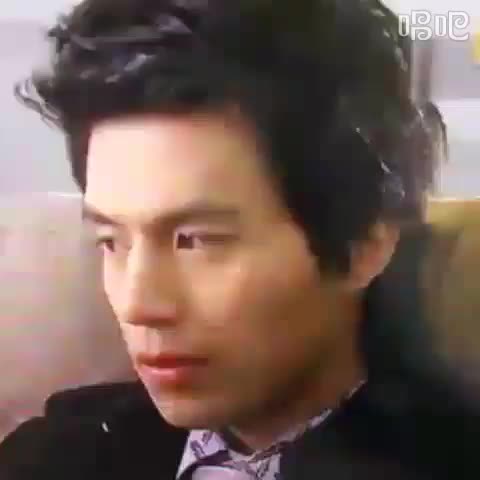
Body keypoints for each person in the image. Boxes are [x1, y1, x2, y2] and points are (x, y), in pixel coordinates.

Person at [1, 0, 478, 479]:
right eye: (112, 241)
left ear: (363, 243)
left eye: (195, 240)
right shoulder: (59, 452)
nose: (137, 305)